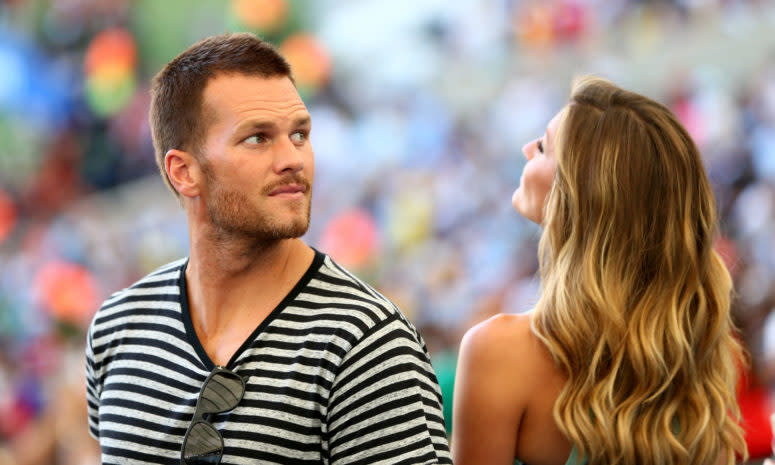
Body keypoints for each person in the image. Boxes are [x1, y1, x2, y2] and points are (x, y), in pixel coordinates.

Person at [85, 32, 452, 464]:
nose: (293, 159)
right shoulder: (118, 328)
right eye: (258, 138)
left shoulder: (364, 342)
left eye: (299, 134)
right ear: (184, 172)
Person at [451, 76, 748, 465]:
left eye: (542, 146)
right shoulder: (692, 344)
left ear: (578, 194)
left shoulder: (496, 350)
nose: (526, 149)